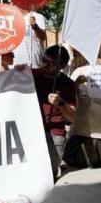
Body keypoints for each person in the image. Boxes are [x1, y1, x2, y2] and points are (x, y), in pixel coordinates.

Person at [63, 43, 101, 171]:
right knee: (83, 178)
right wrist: (75, 85)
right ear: (94, 57)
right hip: (83, 135)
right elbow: (67, 99)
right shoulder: (80, 72)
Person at [31, 45, 76, 178]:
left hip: (55, 134)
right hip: (33, 131)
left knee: (51, 172)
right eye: (44, 60)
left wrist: (61, 103)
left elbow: (72, 116)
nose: (45, 65)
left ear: (62, 66)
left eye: (51, 63)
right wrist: (16, 70)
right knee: (33, 172)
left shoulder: (68, 84)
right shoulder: (32, 75)